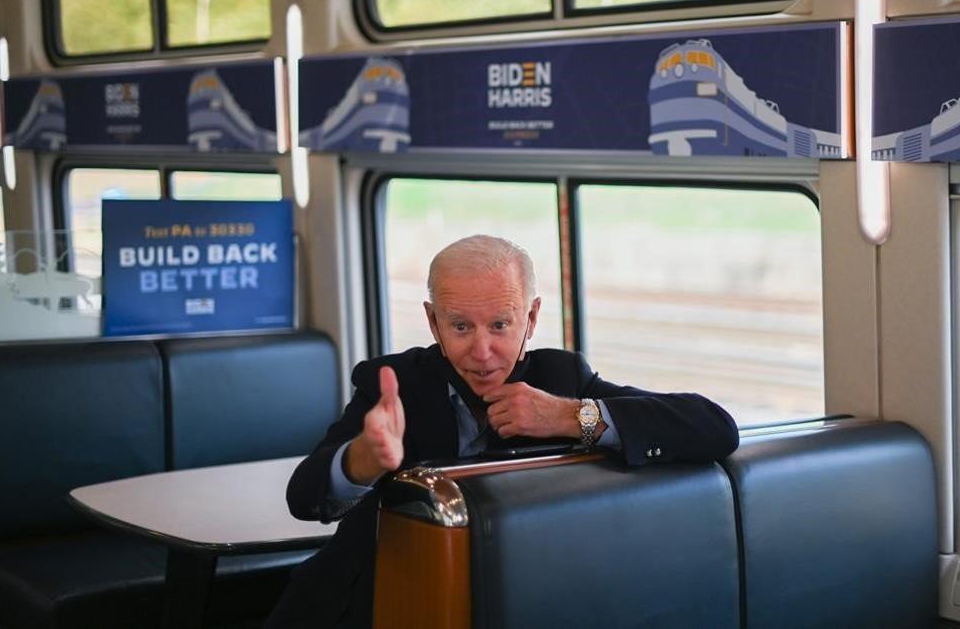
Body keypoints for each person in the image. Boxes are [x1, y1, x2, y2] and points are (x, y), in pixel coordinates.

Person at [265, 235, 738, 628]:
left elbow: (713, 427)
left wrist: (572, 417)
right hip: (372, 606)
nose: (482, 350)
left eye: (499, 324)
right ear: (433, 322)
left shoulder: (562, 379)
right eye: (460, 326)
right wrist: (361, 461)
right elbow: (303, 498)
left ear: (530, 319)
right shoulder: (392, 383)